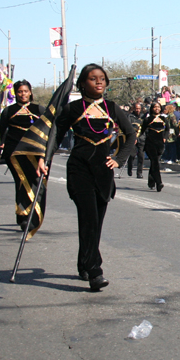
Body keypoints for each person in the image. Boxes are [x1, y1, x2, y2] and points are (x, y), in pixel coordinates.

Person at [38, 64, 136, 291]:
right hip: (79, 169)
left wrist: (119, 159)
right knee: (89, 218)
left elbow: (130, 134)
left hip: (103, 172)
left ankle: (84, 263)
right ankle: (95, 271)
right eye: (93, 79)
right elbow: (55, 135)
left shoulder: (112, 108)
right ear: (83, 83)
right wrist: (44, 159)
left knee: (95, 224)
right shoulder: (72, 109)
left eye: (102, 78)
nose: (99, 82)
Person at [0, 80, 47, 229]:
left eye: (25, 91)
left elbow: (47, 131)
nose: (23, 94)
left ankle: (33, 215)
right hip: (15, 153)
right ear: (15, 93)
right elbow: (0, 131)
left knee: (36, 183)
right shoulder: (8, 111)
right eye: (19, 92)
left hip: (36, 154)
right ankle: (23, 215)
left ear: (30, 92)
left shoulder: (39, 110)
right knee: (22, 182)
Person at [139, 102, 167, 191]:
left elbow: (168, 129)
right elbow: (141, 131)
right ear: (152, 108)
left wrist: (165, 138)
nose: (157, 108)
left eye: (158, 107)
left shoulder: (164, 119)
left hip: (160, 144)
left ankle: (151, 181)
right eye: (155, 107)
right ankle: (159, 182)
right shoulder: (148, 119)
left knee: (154, 163)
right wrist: (136, 139)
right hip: (150, 143)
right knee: (155, 162)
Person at [125, 102, 145, 177]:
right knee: (132, 155)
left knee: (141, 156)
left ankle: (139, 173)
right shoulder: (130, 116)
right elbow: (128, 127)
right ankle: (129, 168)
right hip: (133, 138)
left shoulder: (143, 117)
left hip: (141, 138)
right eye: (136, 108)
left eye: (139, 108)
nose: (137, 110)